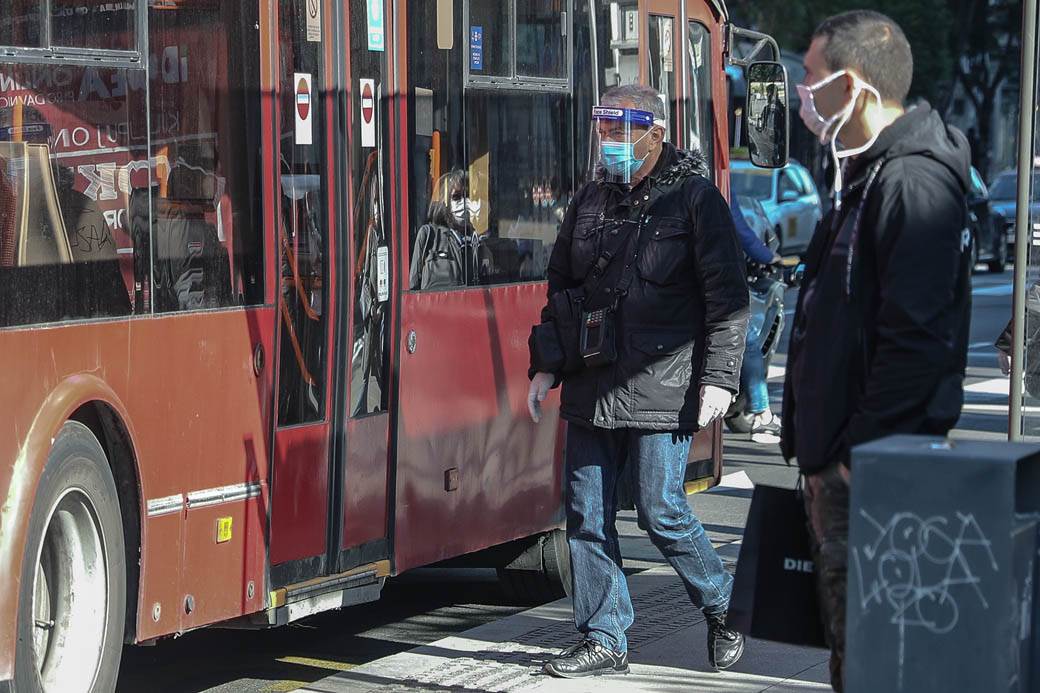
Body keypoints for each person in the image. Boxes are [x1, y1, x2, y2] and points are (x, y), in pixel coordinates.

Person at [527, 84, 749, 678]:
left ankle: (723, 605)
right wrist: (547, 363)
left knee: (661, 509)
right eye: (603, 130)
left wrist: (719, 380)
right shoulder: (589, 200)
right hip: (592, 381)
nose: (610, 142)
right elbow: (562, 291)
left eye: (622, 131)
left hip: (663, 384)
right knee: (586, 516)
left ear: (656, 133)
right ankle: (604, 636)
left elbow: (728, 300)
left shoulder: (696, 200)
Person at [781, 11, 972, 692]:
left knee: (879, 662)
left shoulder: (910, 182)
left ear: (853, 85)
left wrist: (853, 459)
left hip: (873, 480)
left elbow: (915, 343)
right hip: (848, 472)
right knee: (855, 656)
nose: (800, 93)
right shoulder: (865, 174)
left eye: (810, 76)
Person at [730, 195, 782, 442]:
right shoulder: (714, 183)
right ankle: (761, 413)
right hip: (711, 278)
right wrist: (768, 257)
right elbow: (740, 229)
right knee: (747, 337)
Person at [409, 169, 482, 290]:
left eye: (468, 196)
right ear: (445, 200)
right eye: (456, 197)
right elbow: (413, 287)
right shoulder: (428, 235)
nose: (464, 202)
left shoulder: (478, 241)